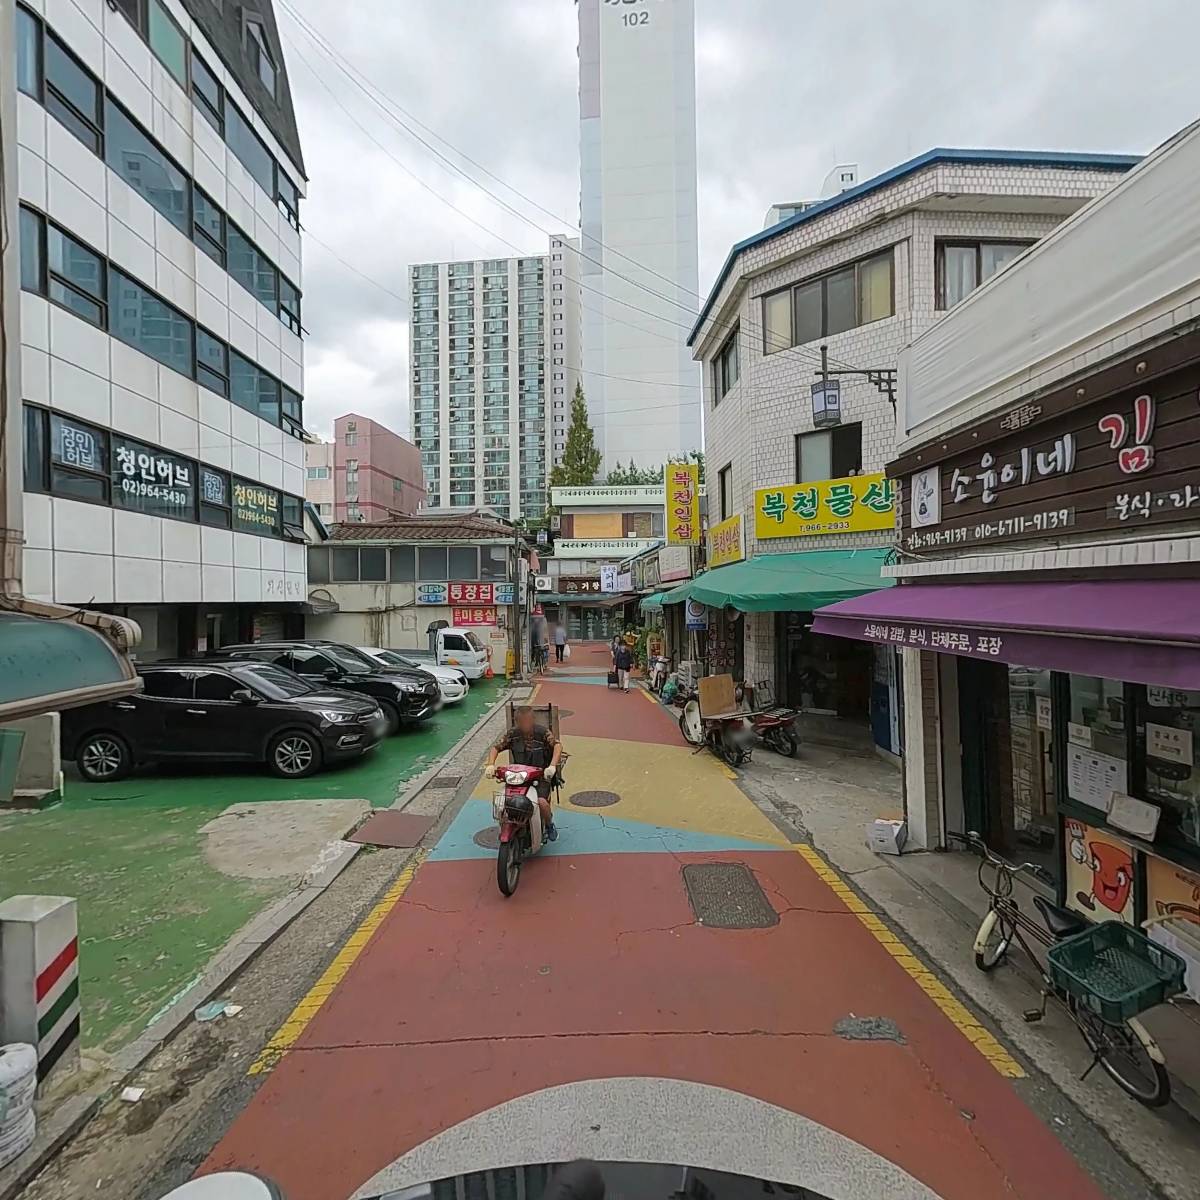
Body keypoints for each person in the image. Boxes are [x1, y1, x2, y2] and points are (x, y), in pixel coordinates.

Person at [484, 705, 562, 840]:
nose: (525, 724)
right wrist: (490, 765)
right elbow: (496, 748)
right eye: (522, 721)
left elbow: (557, 745)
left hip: (540, 776)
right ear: (517, 721)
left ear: (533, 719)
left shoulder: (542, 733)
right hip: (518, 776)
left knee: (542, 803)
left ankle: (549, 825)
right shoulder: (512, 735)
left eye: (528, 720)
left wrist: (552, 766)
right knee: (503, 800)